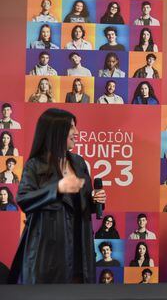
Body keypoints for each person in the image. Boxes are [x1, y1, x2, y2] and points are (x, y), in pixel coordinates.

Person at [8, 108, 106, 283]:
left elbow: (83, 204)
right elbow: (23, 199)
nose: (76, 133)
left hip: (81, 251)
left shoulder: (79, 162)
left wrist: (94, 200)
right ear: (56, 132)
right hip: (49, 255)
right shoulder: (35, 165)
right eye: (71, 128)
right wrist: (57, 188)